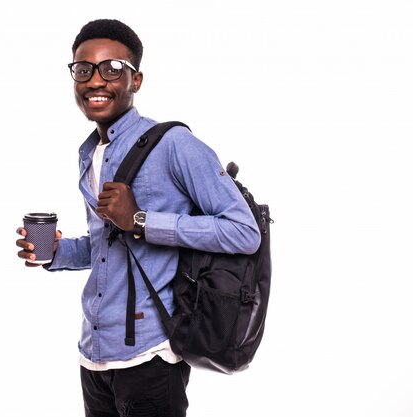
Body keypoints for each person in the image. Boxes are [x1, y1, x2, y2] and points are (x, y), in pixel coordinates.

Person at [16, 19, 261, 417]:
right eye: (83, 70)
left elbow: (243, 232)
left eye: (112, 68)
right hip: (94, 356)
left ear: (137, 79)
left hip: (151, 358)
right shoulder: (90, 153)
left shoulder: (174, 144)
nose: (96, 80)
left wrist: (142, 221)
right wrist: (55, 253)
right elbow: (106, 248)